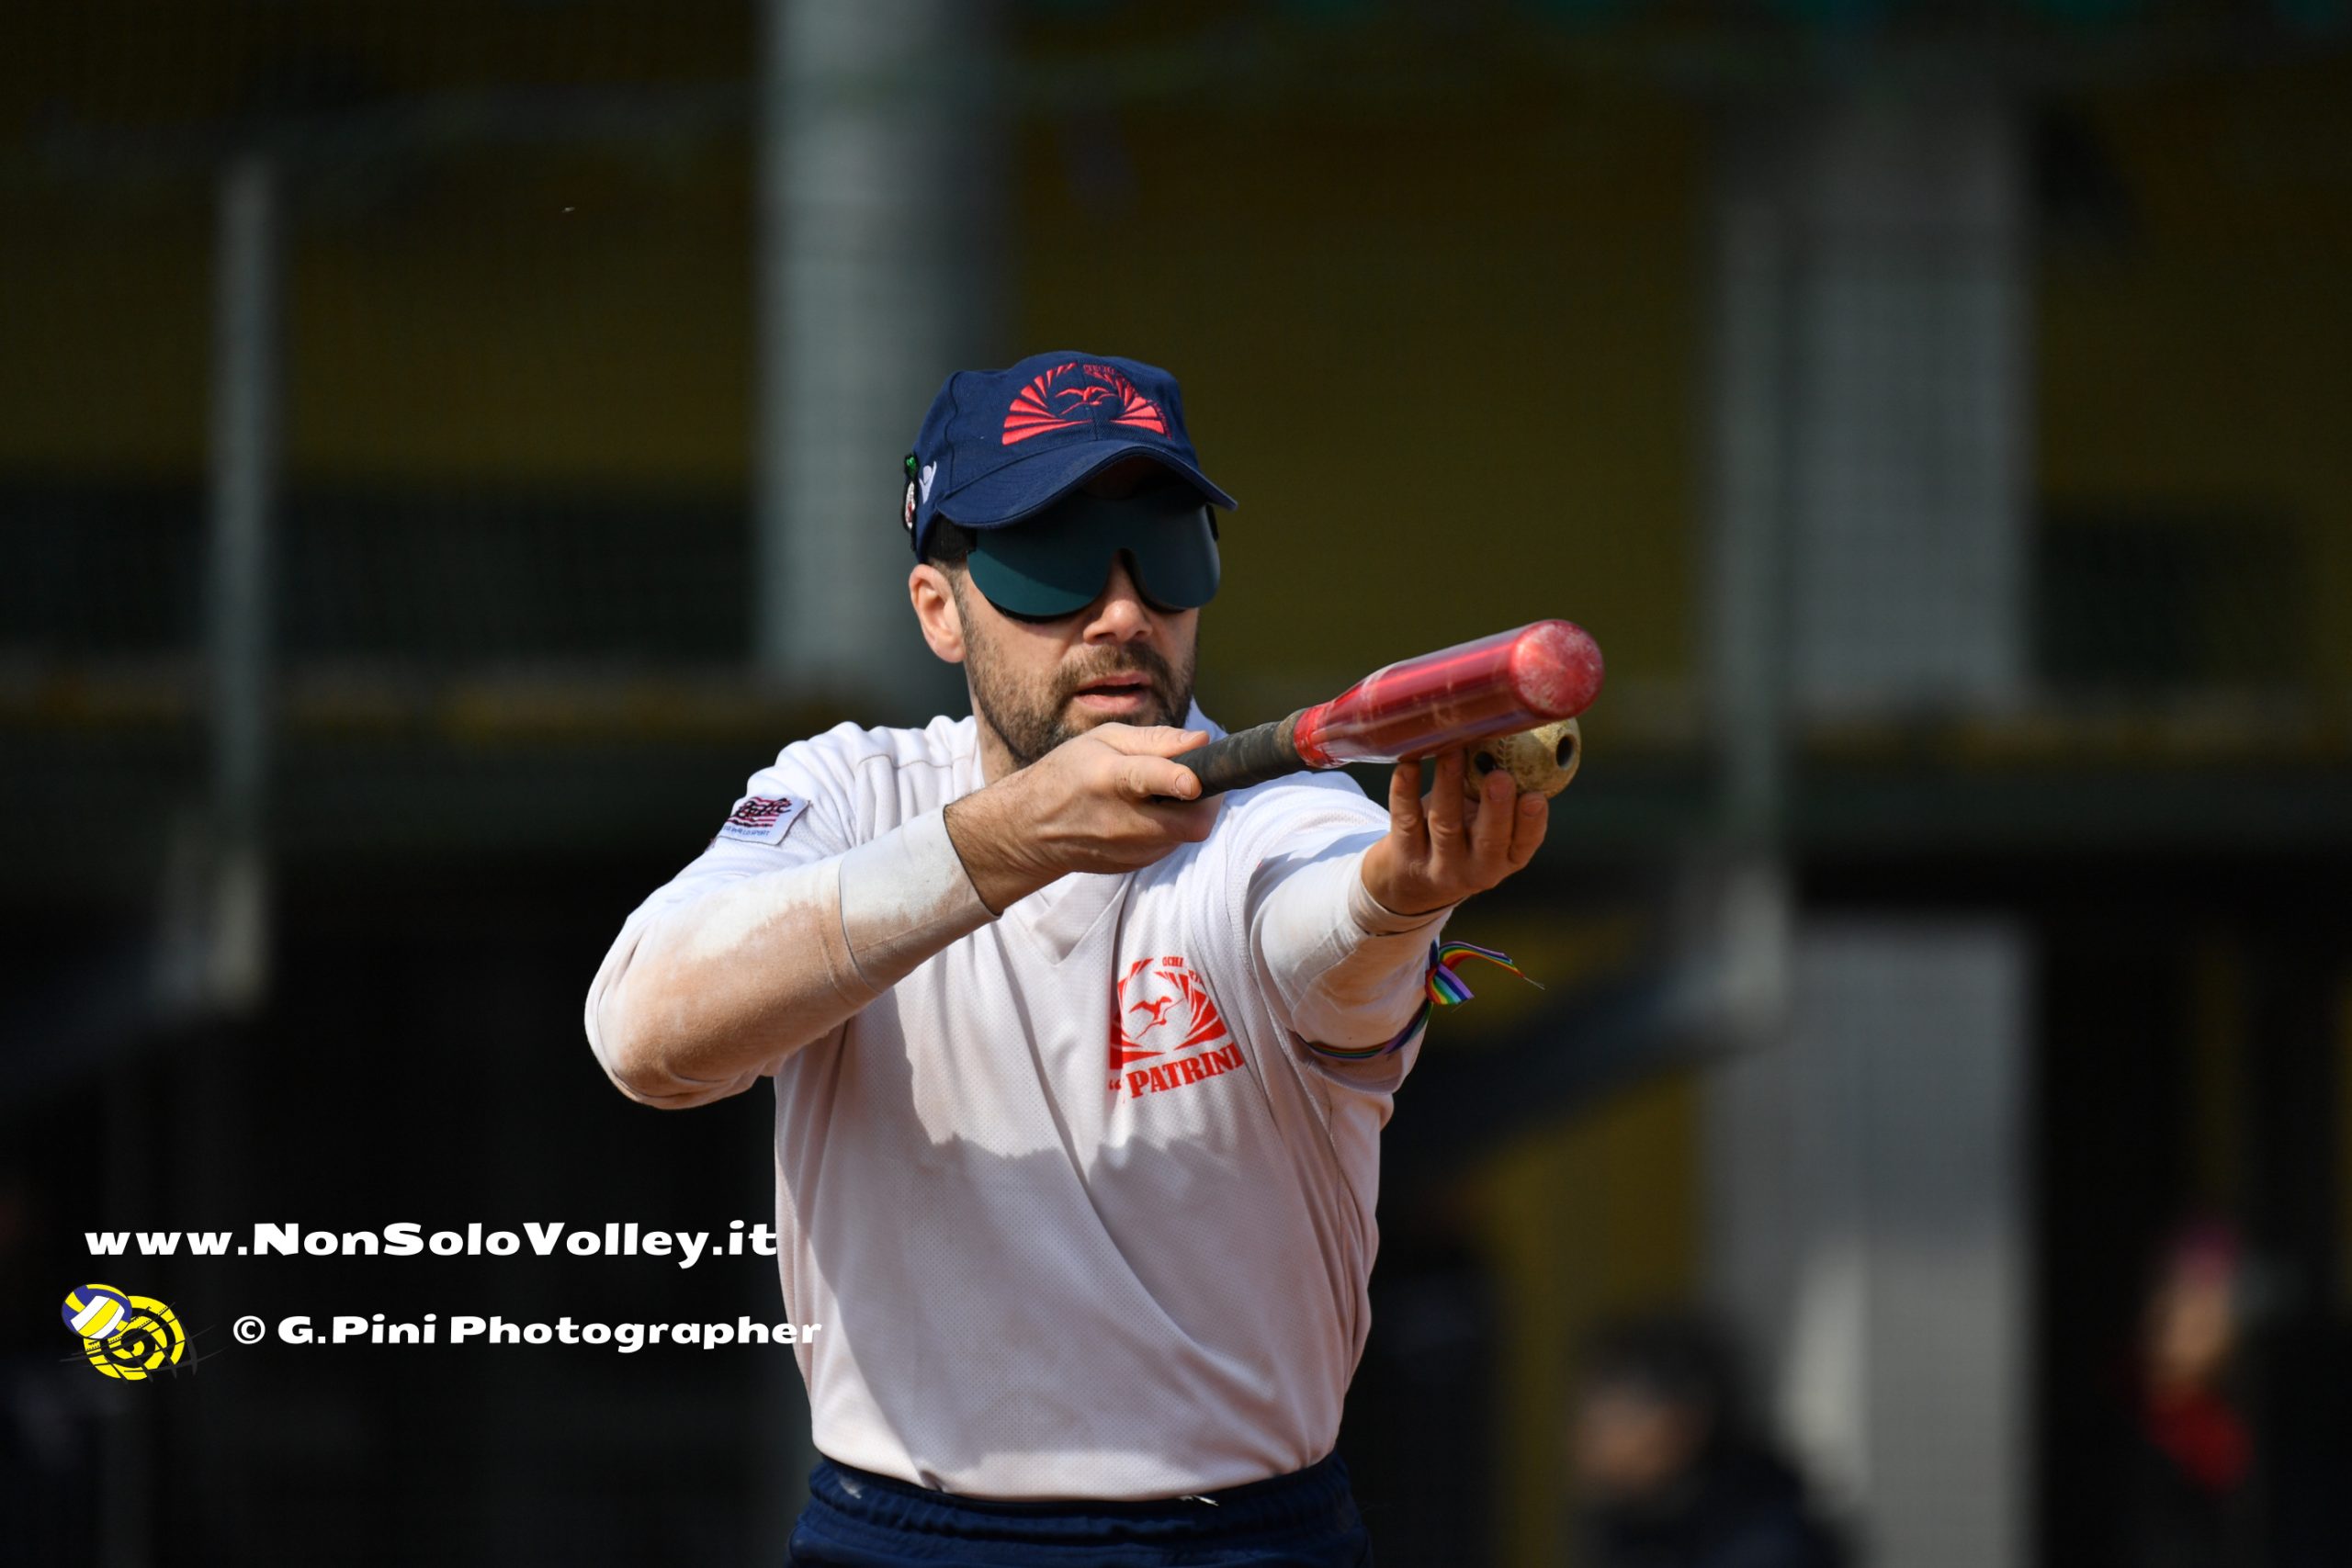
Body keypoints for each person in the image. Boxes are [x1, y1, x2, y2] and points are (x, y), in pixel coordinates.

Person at [583, 350, 1554, 1566]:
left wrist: (1396, 901)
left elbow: (1325, 942)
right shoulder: (846, 787)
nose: (1122, 612)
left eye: (1163, 550)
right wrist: (1002, 844)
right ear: (941, 606)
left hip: (1242, 1541)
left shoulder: (1294, 813)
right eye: (1053, 558)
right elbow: (644, 1035)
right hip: (899, 1535)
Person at [1572, 1313, 1848, 1568]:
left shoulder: (1768, 1547)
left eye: (1610, 1418)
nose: (1585, 1439)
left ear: (1683, 1420)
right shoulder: (1636, 1533)